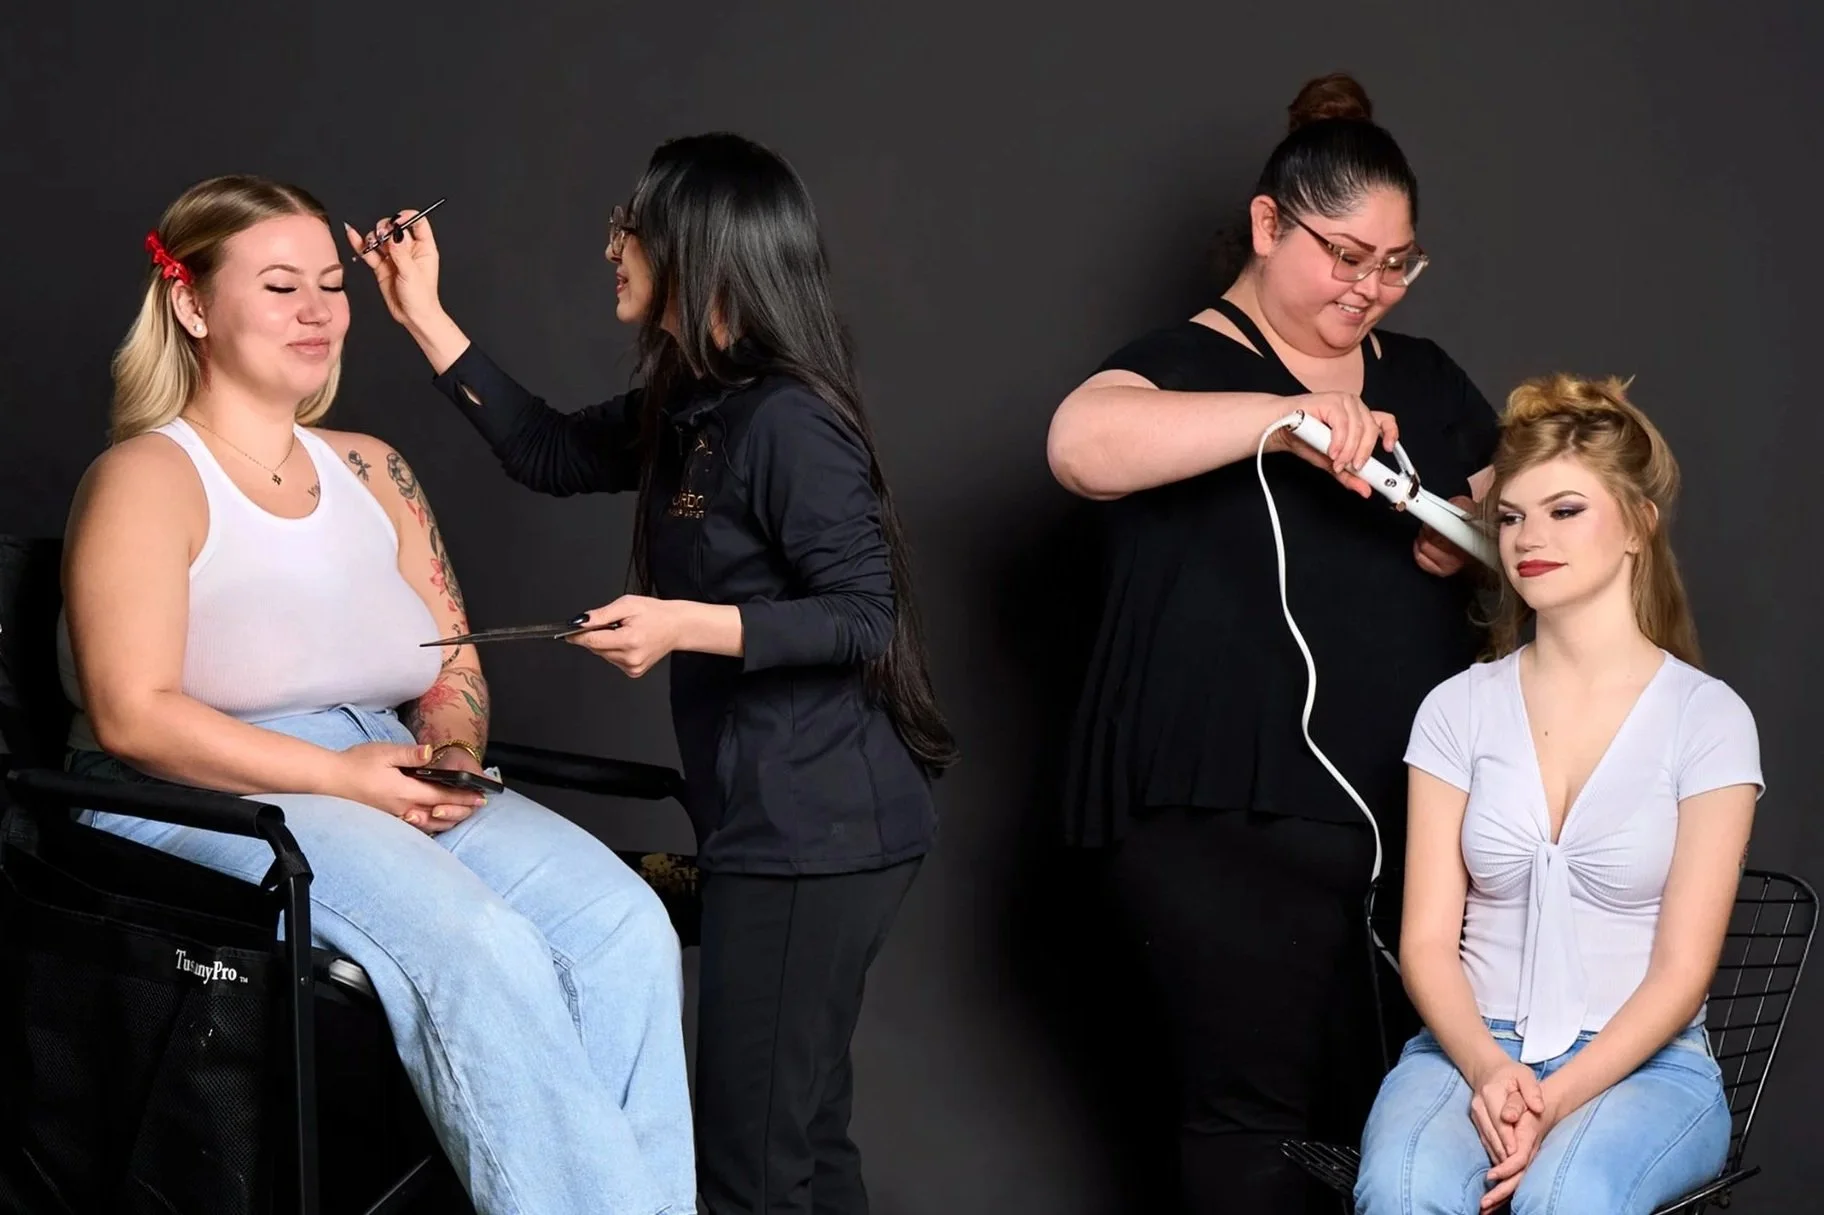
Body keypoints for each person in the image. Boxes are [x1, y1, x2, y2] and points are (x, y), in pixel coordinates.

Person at [60, 175, 695, 1215]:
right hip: (209, 787)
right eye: (278, 286)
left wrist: (445, 755)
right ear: (191, 303)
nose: (317, 311)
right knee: (478, 945)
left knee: (624, 923)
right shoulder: (147, 476)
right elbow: (133, 714)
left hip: (381, 765)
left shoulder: (373, 468)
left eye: (329, 284)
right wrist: (339, 780)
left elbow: (451, 661)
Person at [352, 132, 957, 1215]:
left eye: (629, 227)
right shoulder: (694, 401)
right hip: (781, 820)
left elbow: (867, 620)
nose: (609, 248)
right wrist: (422, 313)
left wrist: (684, 623)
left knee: (754, 1168)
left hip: (819, 831)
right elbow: (547, 452)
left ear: (698, 245)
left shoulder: (787, 421)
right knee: (804, 1145)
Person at [1046, 73, 1502, 1211]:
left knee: (1406, 1123)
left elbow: (1539, 507)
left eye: (1395, 264)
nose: (1370, 289)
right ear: (1267, 224)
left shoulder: (1430, 381)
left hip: (1412, 823)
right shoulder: (1185, 362)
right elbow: (1078, 443)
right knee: (1251, 1132)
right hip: (1220, 822)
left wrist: (1484, 528)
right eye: (1346, 257)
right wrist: (1284, 424)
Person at [1354, 375, 1758, 1215]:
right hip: (1469, 1047)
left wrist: (1559, 1094)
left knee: (1567, 1196)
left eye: (1564, 510)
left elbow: (1683, 972)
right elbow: (1426, 940)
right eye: (1511, 516)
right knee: (1402, 1187)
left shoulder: (1708, 718)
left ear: (1638, 525)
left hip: (1645, 1064)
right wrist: (1492, 1068)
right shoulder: (1456, 708)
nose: (1528, 538)